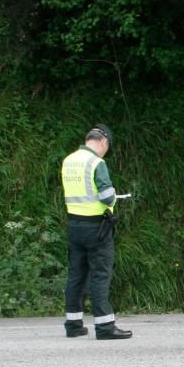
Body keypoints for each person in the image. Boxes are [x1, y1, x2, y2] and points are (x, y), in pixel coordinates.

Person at [61, 124, 132, 340]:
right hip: (97, 227)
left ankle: (73, 324)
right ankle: (105, 326)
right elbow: (107, 196)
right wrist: (114, 196)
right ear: (103, 142)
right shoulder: (96, 163)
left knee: (76, 274)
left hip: (74, 225)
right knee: (100, 274)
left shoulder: (68, 160)